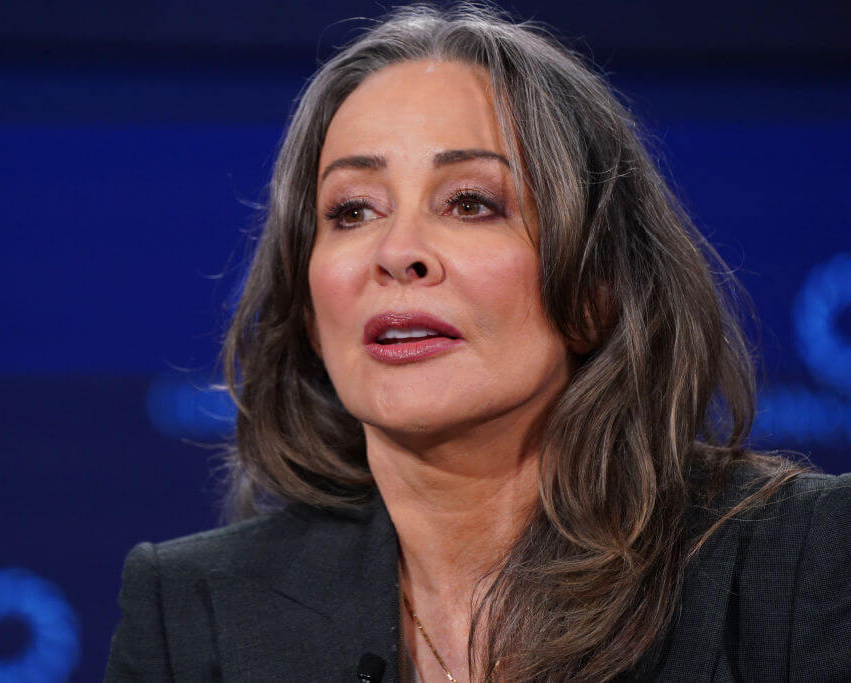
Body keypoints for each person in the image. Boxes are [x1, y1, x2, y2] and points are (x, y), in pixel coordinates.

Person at [105, 3, 851, 681]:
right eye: (353, 210)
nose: (397, 252)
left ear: (596, 287)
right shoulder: (195, 612)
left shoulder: (801, 563)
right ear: (307, 304)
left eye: (470, 202)